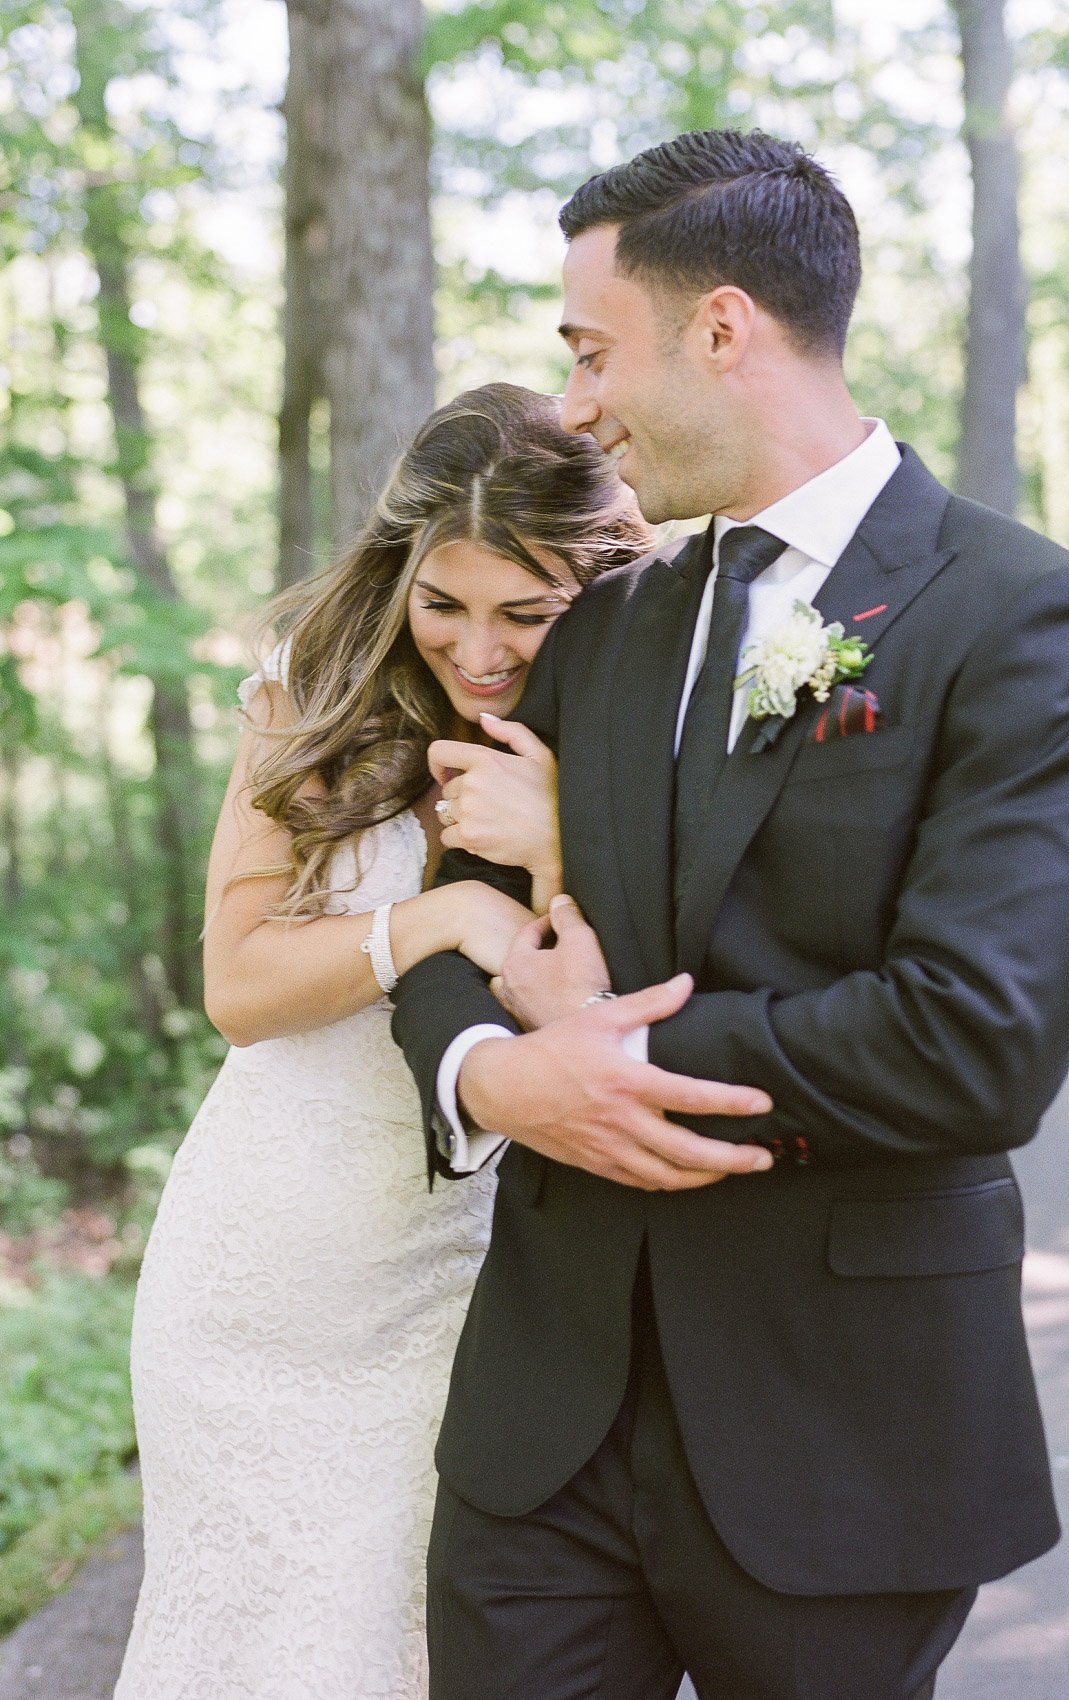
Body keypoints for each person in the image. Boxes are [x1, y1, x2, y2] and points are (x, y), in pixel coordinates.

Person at [392, 131, 1068, 1700]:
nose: (572, 406)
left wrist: (608, 1056)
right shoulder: (612, 622)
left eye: (588, 350)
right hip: (539, 1432)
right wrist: (493, 1078)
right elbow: (461, 906)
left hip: (838, 1433)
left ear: (719, 330)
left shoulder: (1013, 614)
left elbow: (976, 1039)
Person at [113, 383, 656, 1700]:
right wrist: (430, 917)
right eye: (443, 603)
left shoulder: (640, 702)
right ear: (397, 570)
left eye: (524, 611)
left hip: (458, 1274)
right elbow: (238, 986)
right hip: (258, 1269)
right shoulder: (310, 690)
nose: (477, 649)